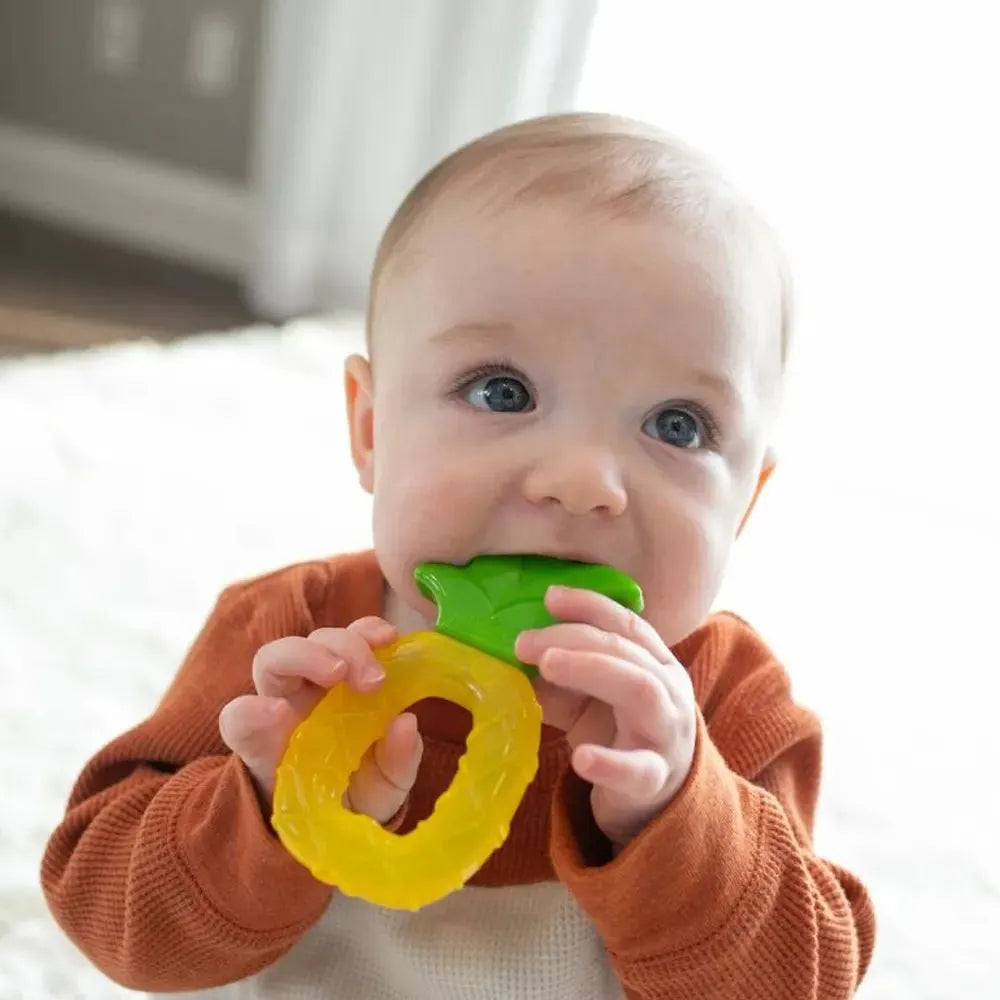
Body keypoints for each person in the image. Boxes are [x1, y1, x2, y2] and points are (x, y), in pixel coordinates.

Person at [40, 113, 875, 999]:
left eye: (679, 425)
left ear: (744, 502)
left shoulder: (728, 697)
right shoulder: (288, 641)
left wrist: (676, 816)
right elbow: (112, 922)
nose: (583, 481)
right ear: (370, 429)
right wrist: (260, 803)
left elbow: (806, 979)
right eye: (502, 390)